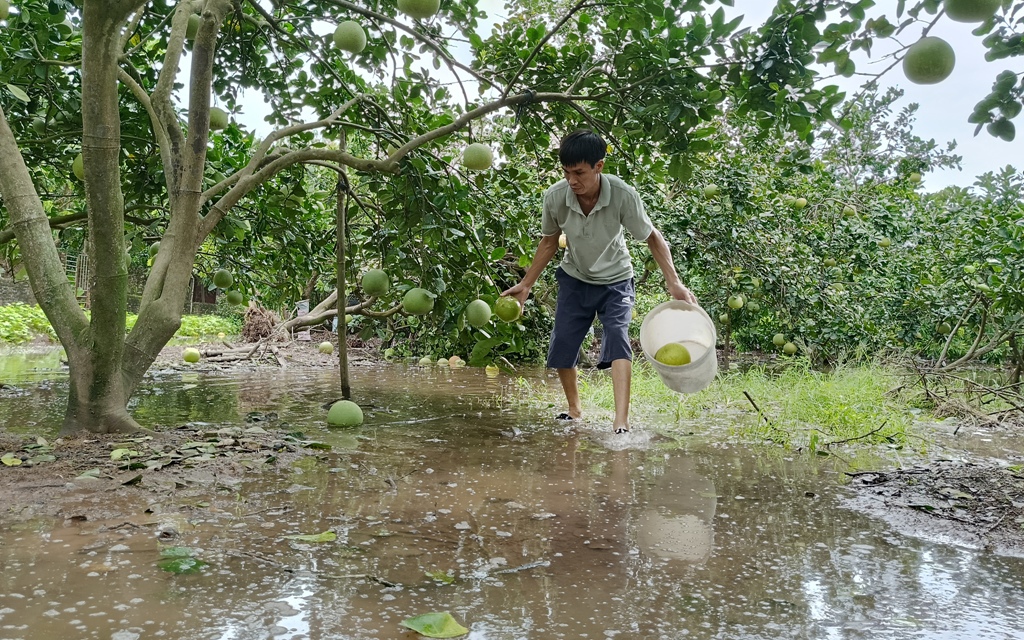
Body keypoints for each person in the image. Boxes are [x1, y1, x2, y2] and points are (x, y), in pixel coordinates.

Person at [502, 129, 697, 434]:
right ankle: (574, 409)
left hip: (617, 279)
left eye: (579, 172)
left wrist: (674, 282)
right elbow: (549, 242)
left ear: (599, 166)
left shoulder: (622, 195)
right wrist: (526, 284)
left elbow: (652, 237)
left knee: (618, 337)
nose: (572, 180)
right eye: (566, 172)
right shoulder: (555, 197)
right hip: (574, 277)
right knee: (563, 344)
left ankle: (620, 422)